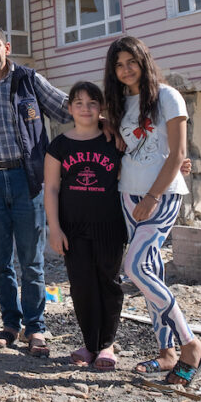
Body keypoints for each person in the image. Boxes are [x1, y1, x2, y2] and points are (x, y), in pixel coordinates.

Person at [0, 24, 71, 357]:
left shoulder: (29, 81)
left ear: (7, 47)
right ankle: (10, 324)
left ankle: (36, 329)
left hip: (28, 181)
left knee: (31, 262)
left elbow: (68, 109)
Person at [103, 35, 201, 386]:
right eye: (118, 64)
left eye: (131, 61)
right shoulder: (119, 103)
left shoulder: (167, 96)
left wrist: (151, 197)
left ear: (143, 60)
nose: (125, 69)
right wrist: (108, 126)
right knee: (151, 270)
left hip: (160, 196)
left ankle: (190, 344)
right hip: (127, 194)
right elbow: (130, 144)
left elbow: (177, 154)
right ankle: (166, 353)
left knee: (134, 267)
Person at [44, 81, 125, 371]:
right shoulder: (59, 145)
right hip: (73, 228)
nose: (86, 108)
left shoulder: (114, 141)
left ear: (100, 108)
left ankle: (107, 345)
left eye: (92, 103)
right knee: (81, 286)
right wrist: (54, 228)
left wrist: (179, 164)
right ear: (69, 109)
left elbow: (143, 161)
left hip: (110, 225)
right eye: (79, 103)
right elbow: (51, 188)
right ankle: (90, 344)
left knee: (108, 283)